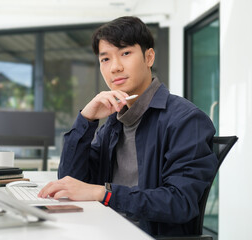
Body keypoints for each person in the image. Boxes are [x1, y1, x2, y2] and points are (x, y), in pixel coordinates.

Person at [38, 16, 218, 237]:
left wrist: (104, 194)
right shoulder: (114, 123)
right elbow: (71, 179)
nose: (115, 67)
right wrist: (87, 119)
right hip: (106, 227)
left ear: (149, 57)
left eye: (125, 53)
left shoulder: (186, 120)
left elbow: (180, 202)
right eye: (105, 59)